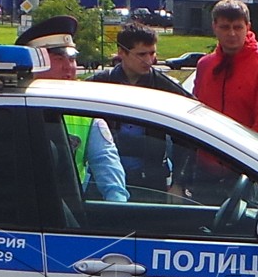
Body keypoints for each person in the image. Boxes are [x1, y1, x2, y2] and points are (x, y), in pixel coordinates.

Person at [17, 14, 127, 203]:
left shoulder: (87, 115)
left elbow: (109, 173)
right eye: (59, 58)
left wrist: (119, 209)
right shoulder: (11, 106)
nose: (69, 67)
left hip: (66, 215)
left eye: (72, 59)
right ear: (36, 62)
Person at [89, 24, 189, 193]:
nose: (149, 61)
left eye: (152, 53)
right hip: (104, 177)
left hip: (150, 181)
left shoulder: (164, 86)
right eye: (142, 54)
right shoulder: (99, 84)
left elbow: (187, 134)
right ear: (122, 52)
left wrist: (179, 181)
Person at [192, 0, 258, 139]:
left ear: (248, 27)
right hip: (205, 154)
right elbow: (196, 112)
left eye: (238, 27)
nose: (232, 34)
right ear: (214, 27)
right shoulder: (205, 65)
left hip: (242, 157)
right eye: (225, 27)